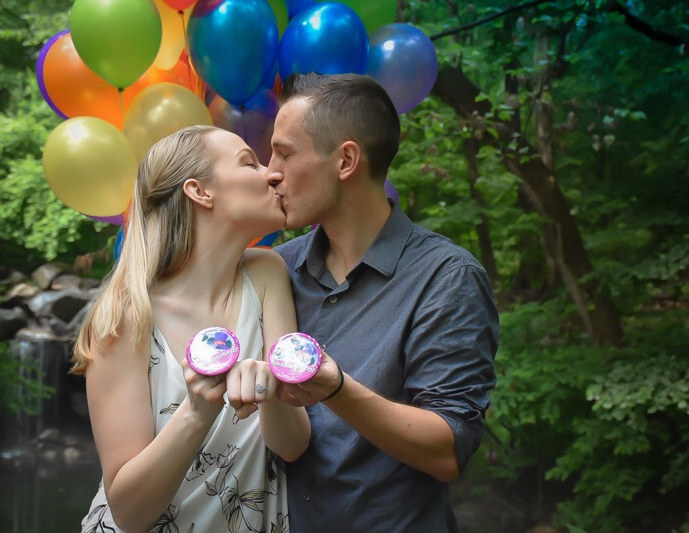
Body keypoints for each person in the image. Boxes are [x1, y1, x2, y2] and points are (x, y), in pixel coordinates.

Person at [267, 73, 499, 532]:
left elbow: (447, 450)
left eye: (285, 153)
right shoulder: (274, 270)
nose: (270, 170)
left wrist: (336, 390)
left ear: (346, 160)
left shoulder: (447, 277)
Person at [72, 125, 310, 533]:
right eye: (249, 163)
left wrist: (270, 393)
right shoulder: (124, 318)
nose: (271, 174)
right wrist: (197, 412)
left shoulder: (267, 273)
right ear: (200, 192)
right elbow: (129, 513)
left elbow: (292, 446)